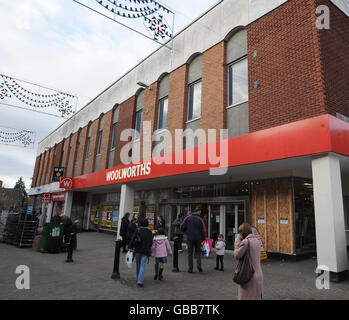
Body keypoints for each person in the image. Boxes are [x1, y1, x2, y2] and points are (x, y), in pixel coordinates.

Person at [234, 223, 264, 300]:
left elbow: (237, 255)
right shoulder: (257, 241)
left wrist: (237, 241)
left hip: (249, 275)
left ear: (242, 233)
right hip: (258, 274)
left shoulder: (246, 242)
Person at [129, 218, 153, 287]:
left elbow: (133, 239)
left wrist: (130, 247)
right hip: (145, 250)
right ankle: (140, 280)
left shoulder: (138, 229)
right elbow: (151, 242)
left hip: (138, 250)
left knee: (138, 264)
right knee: (142, 265)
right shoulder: (149, 231)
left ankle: (138, 278)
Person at [180, 208, 206, 273]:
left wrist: (186, 232)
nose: (200, 213)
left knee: (190, 254)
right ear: (198, 212)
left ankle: (190, 269)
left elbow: (182, 227)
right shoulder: (200, 219)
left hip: (190, 238)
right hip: (198, 238)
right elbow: (203, 230)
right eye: (200, 212)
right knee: (198, 253)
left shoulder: (187, 218)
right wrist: (203, 238)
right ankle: (199, 265)